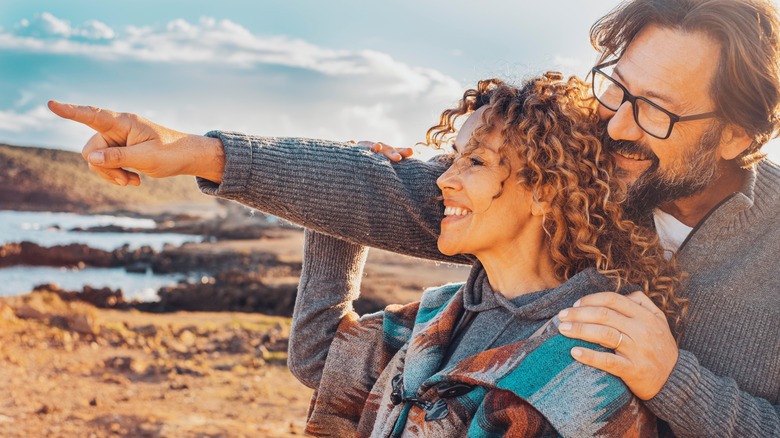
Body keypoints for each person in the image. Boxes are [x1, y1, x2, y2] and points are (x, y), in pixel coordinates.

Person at [48, 0, 780, 436]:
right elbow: (386, 193)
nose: (615, 125)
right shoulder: (588, 176)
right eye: (616, 88)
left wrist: (675, 381)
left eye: (654, 111)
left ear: (740, 137)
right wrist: (194, 151)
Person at [289, 74, 683, 436]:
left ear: (544, 191)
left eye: (475, 161)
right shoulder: (443, 313)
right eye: (455, 158)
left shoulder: (593, 350)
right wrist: (340, 194)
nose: (444, 179)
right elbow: (319, 357)